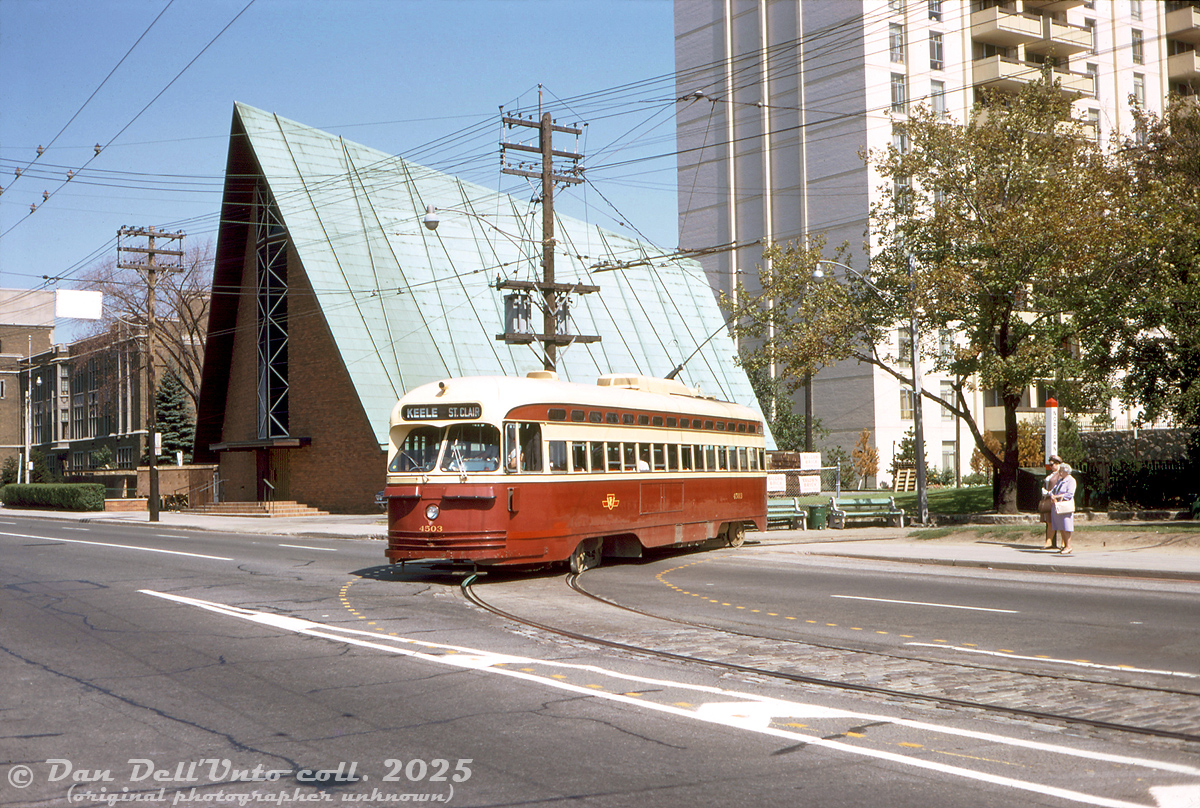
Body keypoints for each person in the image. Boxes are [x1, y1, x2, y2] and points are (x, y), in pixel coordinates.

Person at [1048, 461, 1077, 554]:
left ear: (1066, 471)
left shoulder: (1071, 480)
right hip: (1058, 507)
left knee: (1066, 526)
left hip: (1065, 506)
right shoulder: (1060, 481)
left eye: (1061, 470)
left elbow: (1069, 494)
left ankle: (1068, 546)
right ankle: (1065, 546)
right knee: (1061, 526)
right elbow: (1053, 490)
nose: (1059, 472)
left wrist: (1057, 496)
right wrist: (1052, 495)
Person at [1041, 455, 1062, 550]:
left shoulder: (1060, 474)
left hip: (1056, 500)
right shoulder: (1051, 474)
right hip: (1048, 499)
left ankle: (1064, 542)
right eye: (1050, 465)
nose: (1051, 467)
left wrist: (1051, 493)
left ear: (1058, 464)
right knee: (1049, 521)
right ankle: (1048, 541)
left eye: (1052, 464)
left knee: (1059, 521)